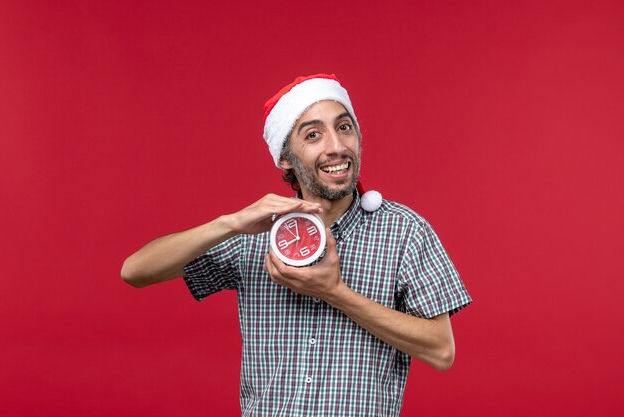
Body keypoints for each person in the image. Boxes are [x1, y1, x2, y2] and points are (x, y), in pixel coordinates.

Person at [121, 73, 472, 416]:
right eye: (314, 135)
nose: (336, 146)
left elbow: (441, 351)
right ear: (286, 158)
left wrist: (334, 292)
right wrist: (229, 224)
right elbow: (135, 271)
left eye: (344, 127)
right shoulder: (255, 233)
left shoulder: (404, 231)